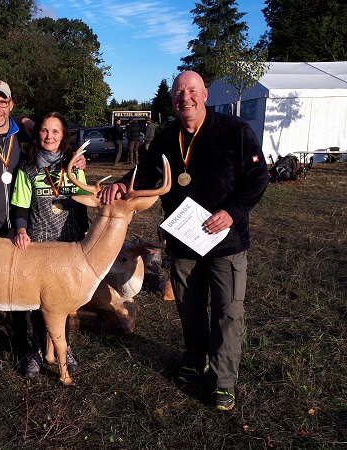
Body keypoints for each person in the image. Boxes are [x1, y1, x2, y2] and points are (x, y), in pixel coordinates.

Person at [99, 71, 268, 410]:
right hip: (183, 242)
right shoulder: (165, 138)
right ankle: (194, 358)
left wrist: (232, 211)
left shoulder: (235, 132)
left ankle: (223, 380)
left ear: (205, 94)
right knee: (189, 307)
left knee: (228, 311)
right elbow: (142, 174)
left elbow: (258, 177)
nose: (185, 98)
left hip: (225, 241)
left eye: (192, 91)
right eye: (179, 92)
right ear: (173, 99)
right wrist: (120, 182)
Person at [0, 80, 86, 378]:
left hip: (21, 232)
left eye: (3, 102)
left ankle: (27, 347)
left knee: (29, 292)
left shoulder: (25, 135)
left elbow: (52, 135)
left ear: (11, 105)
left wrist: (76, 156)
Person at [10, 112, 88, 378]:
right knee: (37, 302)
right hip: (39, 246)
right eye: (44, 130)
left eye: (55, 132)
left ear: (63, 135)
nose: (49, 136)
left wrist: (86, 230)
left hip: (69, 245)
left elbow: (84, 200)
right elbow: (20, 205)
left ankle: (63, 350)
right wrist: (21, 229)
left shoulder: (75, 166)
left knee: (62, 303)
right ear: (37, 133)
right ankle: (36, 351)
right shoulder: (27, 169)